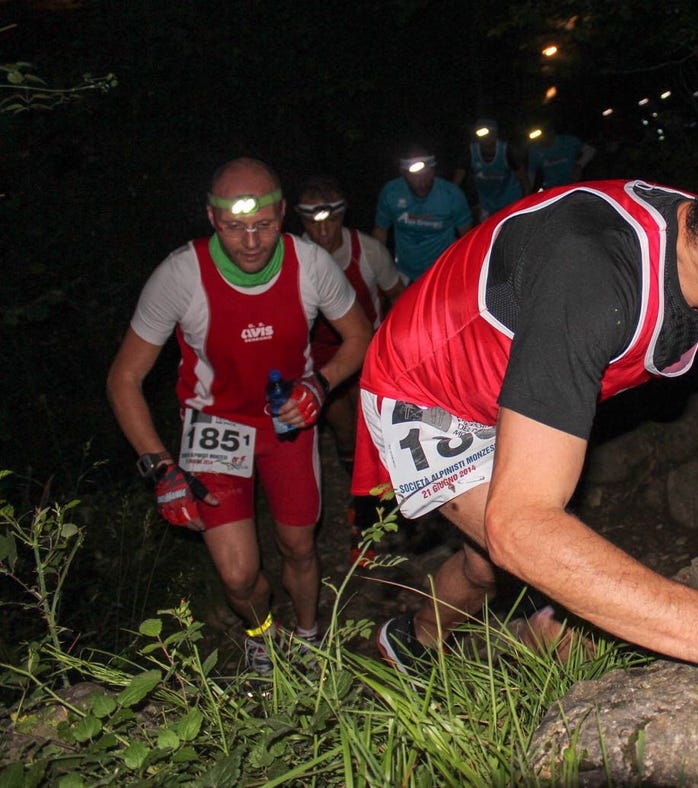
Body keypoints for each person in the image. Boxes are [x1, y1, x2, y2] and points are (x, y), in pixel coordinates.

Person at [352, 100, 698, 750]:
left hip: (525, 378)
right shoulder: (593, 272)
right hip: (428, 387)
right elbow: (524, 525)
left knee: (483, 568)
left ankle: (413, 638)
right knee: (565, 623)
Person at [107, 158, 373, 674]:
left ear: (282, 215)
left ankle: (307, 633)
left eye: (264, 225)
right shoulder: (180, 275)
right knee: (236, 575)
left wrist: (320, 383)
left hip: (287, 422)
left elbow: (360, 336)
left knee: (298, 544)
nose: (251, 242)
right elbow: (123, 379)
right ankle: (260, 634)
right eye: (235, 227)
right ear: (211, 218)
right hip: (215, 428)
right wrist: (160, 467)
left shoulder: (311, 264)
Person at [296, 175, 405, 474]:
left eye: (329, 221)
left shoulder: (369, 251)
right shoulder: (291, 258)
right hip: (319, 356)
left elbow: (399, 297)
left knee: (374, 429)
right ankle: (358, 493)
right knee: (344, 429)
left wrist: (398, 348)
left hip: (368, 347)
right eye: (312, 223)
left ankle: (382, 493)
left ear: (341, 215)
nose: (322, 231)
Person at [372, 146, 472, 283]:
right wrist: (379, 269)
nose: (422, 181)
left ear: (434, 171)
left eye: (427, 173)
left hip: (443, 270)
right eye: (415, 176)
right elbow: (380, 231)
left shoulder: (451, 195)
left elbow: (467, 237)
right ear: (404, 173)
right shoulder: (391, 193)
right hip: (404, 271)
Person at [452, 118, 530, 222]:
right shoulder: (470, 152)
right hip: (487, 204)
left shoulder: (507, 150)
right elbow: (456, 183)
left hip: (511, 200)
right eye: (480, 134)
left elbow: (524, 180)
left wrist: (527, 203)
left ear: (495, 134)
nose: (484, 138)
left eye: (487, 133)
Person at [526, 123, 596, 190]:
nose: (543, 138)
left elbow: (590, 150)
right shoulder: (535, 151)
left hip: (574, 185)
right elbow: (531, 174)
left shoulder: (567, 141)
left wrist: (579, 165)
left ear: (551, 131)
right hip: (552, 188)